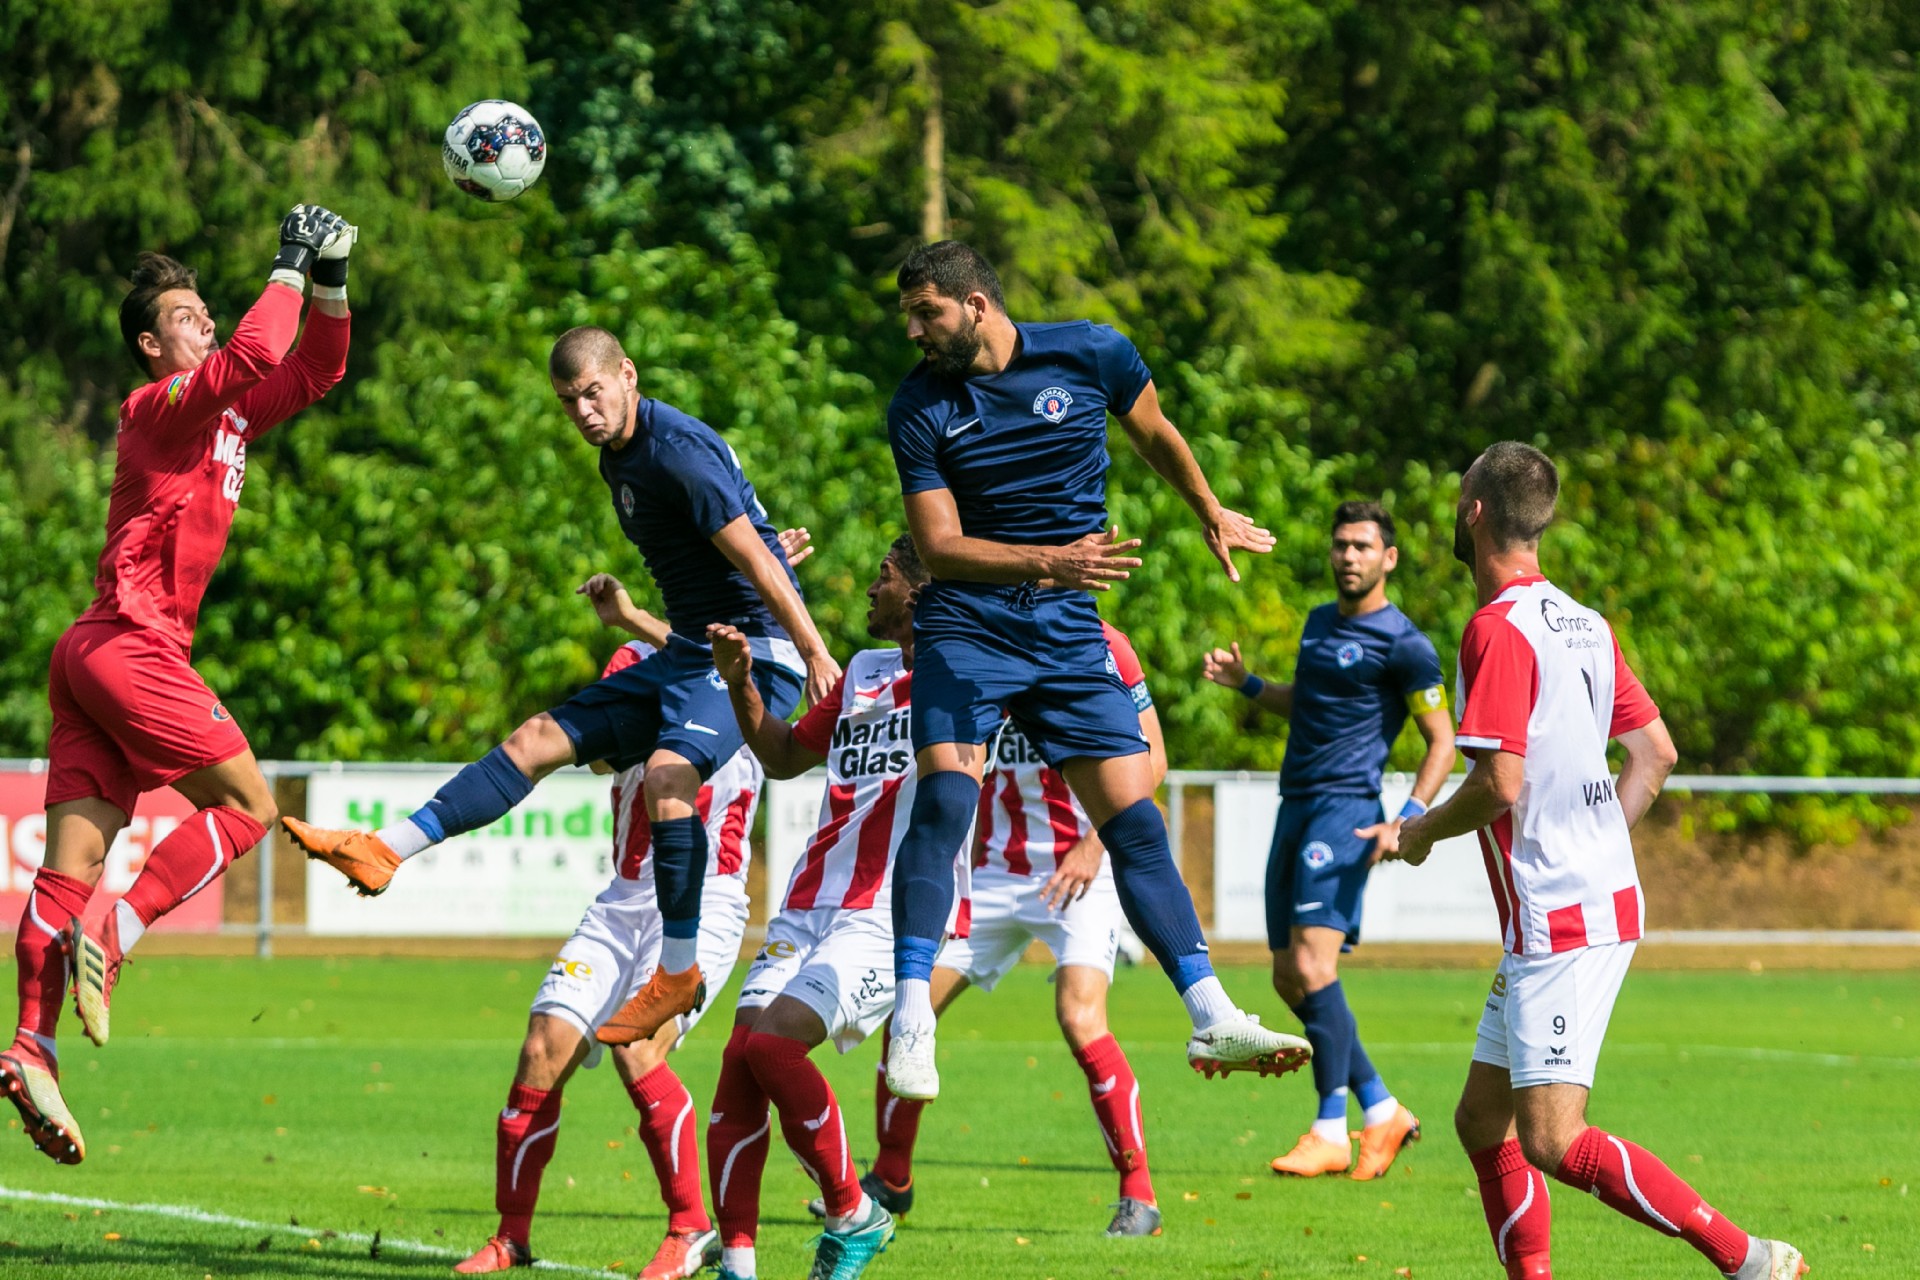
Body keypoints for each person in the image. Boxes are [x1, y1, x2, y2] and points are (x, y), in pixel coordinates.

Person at [286, 327, 840, 1043]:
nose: (582, 410)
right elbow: (713, 573)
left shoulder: (676, 453)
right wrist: (638, 616)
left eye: (591, 392)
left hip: (755, 652)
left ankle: (676, 974)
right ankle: (386, 849)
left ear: (628, 375)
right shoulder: (619, 456)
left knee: (666, 778)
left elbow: (760, 566)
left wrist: (815, 649)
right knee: (536, 737)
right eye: (567, 400)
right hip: (689, 649)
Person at [879, 239, 1308, 1102]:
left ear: (975, 304)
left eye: (928, 314)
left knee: (1134, 820)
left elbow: (1155, 432)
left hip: (1067, 631)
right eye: (910, 317)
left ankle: (1213, 1014)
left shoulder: (1093, 352)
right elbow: (938, 548)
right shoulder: (919, 405)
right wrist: (1049, 562)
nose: (916, 333)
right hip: (967, 622)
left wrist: (1209, 510)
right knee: (948, 803)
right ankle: (911, 1023)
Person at [1376, 443, 1806, 1280]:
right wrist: (1598, 840)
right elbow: (1656, 754)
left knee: (1551, 1138)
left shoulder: (1495, 630)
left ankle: (1747, 1259)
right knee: (1479, 1120)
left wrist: (1422, 829)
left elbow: (1500, 782)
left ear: (1473, 513)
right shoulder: (1584, 623)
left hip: (1558, 916)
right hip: (1582, 898)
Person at [0, 207, 356, 1165]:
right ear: (153, 344)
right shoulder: (152, 407)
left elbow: (314, 368)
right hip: (132, 645)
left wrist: (329, 277)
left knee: (63, 872)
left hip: (91, 657)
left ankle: (30, 1045)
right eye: (188, 314)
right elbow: (247, 357)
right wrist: (283, 258)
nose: (204, 321)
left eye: (207, 309)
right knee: (248, 808)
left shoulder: (229, 412)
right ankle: (117, 937)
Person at [453, 534, 812, 1279]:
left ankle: (689, 1229)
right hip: (623, 899)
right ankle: (511, 1237)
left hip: (706, 904)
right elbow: (616, 744)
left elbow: (766, 683)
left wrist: (754, 605)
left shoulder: (756, 677)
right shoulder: (639, 672)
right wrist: (646, 628)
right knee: (541, 1049)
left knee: (637, 1049)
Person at [822, 619, 1169, 1237]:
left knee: (1081, 1020)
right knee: (912, 1009)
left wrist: (1093, 846)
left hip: (1081, 869)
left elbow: (1153, 758)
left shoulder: (1105, 641)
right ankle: (892, 1178)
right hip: (992, 875)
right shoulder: (978, 630)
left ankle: (1138, 1195)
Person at [702, 536, 949, 1280]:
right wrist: (741, 683)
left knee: (774, 1048)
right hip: (807, 904)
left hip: (886, 916)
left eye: (884, 578)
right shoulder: (865, 672)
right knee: (738, 1068)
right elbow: (781, 757)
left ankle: (854, 1212)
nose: (871, 590)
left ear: (921, 591)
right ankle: (738, 1264)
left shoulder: (965, 674)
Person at [1201, 501, 1454, 1180]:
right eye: (1341, 545)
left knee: (1315, 970)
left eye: (1363, 546)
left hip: (1346, 812)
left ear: (1388, 559)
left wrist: (1408, 816)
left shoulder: (1406, 643)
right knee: (1289, 975)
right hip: (1294, 807)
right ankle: (1382, 1109)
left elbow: (1443, 741)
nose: (1348, 556)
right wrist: (1247, 684)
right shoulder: (1316, 623)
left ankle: (1328, 1130)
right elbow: (1305, 702)